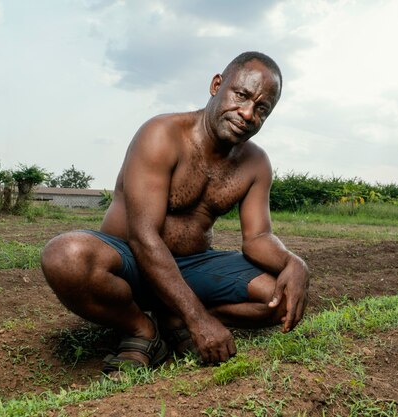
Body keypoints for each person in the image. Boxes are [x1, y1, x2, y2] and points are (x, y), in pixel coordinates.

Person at [41, 51, 309, 372]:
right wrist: (198, 320)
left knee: (279, 299)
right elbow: (142, 237)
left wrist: (294, 263)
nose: (248, 113)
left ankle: (172, 319)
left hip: (193, 267)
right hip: (132, 263)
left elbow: (258, 238)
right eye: (241, 95)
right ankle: (142, 330)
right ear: (216, 85)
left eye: (262, 109)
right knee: (64, 255)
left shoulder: (256, 163)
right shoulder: (162, 134)